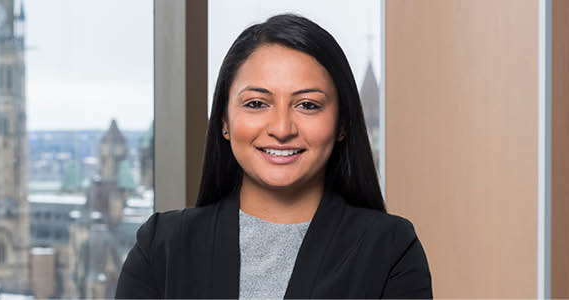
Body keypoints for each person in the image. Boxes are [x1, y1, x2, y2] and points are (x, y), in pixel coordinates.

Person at [115, 14, 432, 299]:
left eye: (308, 105)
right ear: (224, 121)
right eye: (256, 104)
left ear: (342, 124)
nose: (282, 129)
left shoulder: (391, 250)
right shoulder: (161, 247)